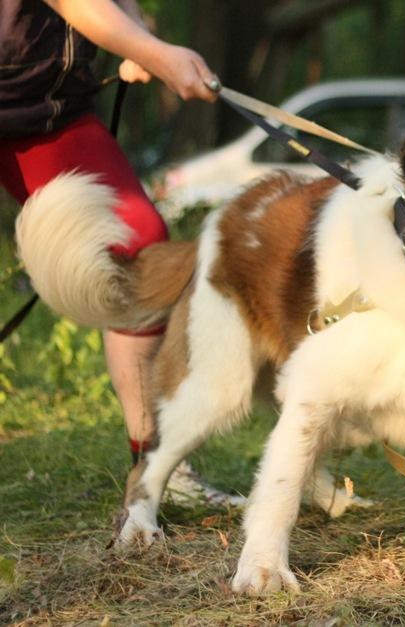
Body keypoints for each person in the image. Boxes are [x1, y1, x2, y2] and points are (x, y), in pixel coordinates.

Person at [0, 0, 243, 506]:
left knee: (141, 254)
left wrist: (134, 34)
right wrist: (155, 51)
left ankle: (155, 464)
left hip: (49, 115)